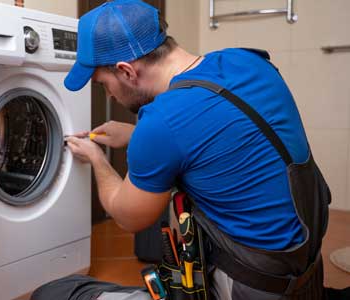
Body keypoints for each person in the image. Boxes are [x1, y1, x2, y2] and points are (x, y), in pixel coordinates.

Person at [32, 0, 333, 299]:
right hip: (306, 275)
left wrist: (97, 159)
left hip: (251, 287)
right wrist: (137, 135)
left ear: (126, 71)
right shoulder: (247, 61)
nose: (108, 94)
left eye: (102, 84)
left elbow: (127, 217)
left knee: (55, 293)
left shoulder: (163, 120)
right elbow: (224, 135)